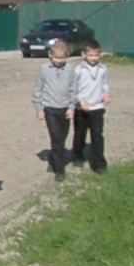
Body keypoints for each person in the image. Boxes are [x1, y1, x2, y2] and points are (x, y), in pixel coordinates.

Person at [32, 39, 77, 182]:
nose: (59, 61)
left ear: (67, 56)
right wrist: (39, 109)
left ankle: (53, 158)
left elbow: (74, 89)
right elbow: (38, 89)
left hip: (64, 109)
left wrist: (71, 107)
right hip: (50, 108)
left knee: (62, 138)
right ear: (50, 55)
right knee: (56, 138)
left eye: (62, 58)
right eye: (56, 58)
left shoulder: (70, 69)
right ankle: (60, 169)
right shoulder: (44, 69)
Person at [73, 39, 111, 175]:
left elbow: (104, 83)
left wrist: (106, 93)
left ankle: (99, 164)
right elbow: (73, 88)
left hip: (97, 107)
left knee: (97, 136)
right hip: (81, 108)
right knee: (80, 134)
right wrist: (80, 100)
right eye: (90, 55)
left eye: (96, 55)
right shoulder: (78, 70)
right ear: (83, 54)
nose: (93, 58)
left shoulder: (102, 69)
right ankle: (77, 155)